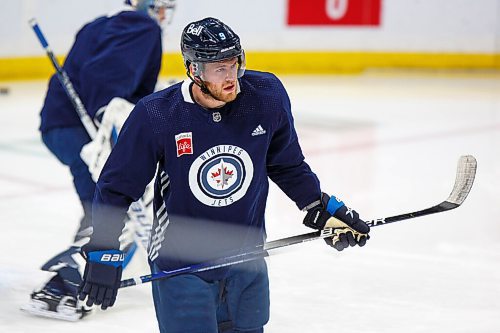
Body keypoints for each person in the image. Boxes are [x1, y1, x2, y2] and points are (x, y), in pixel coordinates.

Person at [78, 17, 370, 332]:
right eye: (220, 69)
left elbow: (286, 163)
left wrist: (318, 206)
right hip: (182, 265)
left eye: (235, 63)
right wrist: (104, 247)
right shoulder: (158, 114)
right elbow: (117, 187)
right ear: (193, 70)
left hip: (247, 258)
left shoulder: (266, 96)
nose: (231, 77)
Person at [22, 0, 176, 321]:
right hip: (87, 134)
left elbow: (104, 76)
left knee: (102, 206)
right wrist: (110, 125)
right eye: (161, 7)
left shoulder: (100, 24)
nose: (163, 16)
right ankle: (68, 279)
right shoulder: (143, 27)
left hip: (60, 128)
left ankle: (75, 270)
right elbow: (103, 79)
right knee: (118, 212)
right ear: (146, 6)